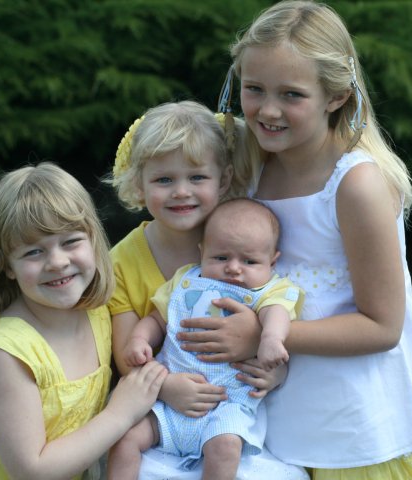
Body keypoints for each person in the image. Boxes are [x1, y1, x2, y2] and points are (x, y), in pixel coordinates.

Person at [177, 1, 412, 478]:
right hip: (275, 422)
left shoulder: (355, 185)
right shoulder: (249, 167)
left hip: (359, 429)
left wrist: (260, 334)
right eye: (254, 89)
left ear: (337, 96)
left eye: (292, 94)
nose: (268, 110)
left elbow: (383, 326)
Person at [0, 162, 167, 480]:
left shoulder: (98, 314)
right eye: (34, 252)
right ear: (7, 266)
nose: (57, 262)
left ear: (92, 240)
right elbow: (32, 470)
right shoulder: (4, 353)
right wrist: (121, 412)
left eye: (71, 241)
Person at [104, 101, 308, 479]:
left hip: (230, 407)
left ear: (223, 180)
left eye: (197, 177)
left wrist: (275, 373)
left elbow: (276, 311)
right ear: (139, 183)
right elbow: (129, 354)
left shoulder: (245, 238)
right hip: (161, 401)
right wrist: (167, 388)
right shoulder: (120, 263)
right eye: (164, 180)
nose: (182, 192)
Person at [110, 198, 303, 479]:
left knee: (226, 447)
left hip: (225, 406)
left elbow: (278, 313)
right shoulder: (185, 281)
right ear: (202, 251)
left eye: (249, 261)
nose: (233, 268)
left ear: (272, 261)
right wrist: (139, 339)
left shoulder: (269, 291)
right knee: (125, 438)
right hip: (169, 402)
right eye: (221, 257)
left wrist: (271, 338)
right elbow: (157, 319)